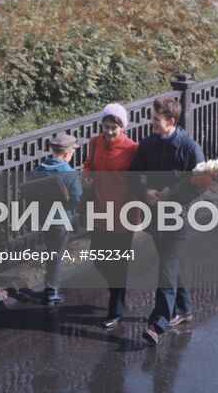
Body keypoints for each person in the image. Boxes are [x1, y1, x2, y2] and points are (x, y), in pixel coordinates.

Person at [130, 96, 206, 345]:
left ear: (171, 121)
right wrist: (145, 193)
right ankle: (184, 309)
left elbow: (202, 181)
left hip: (176, 219)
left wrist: (173, 194)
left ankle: (159, 322)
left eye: (155, 119)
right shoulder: (148, 144)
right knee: (168, 265)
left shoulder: (189, 147)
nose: (150, 122)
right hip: (155, 218)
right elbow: (134, 175)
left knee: (166, 270)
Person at [83, 103, 139, 327]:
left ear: (122, 128)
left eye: (113, 128)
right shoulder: (94, 143)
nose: (108, 132)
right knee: (98, 256)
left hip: (123, 213)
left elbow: (138, 179)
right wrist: (86, 175)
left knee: (118, 262)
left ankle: (116, 309)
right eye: (105, 126)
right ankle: (118, 288)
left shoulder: (132, 148)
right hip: (99, 209)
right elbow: (89, 164)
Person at [28, 132, 82, 305]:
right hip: (60, 219)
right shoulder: (69, 173)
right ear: (67, 153)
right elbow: (76, 198)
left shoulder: (38, 169)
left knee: (50, 250)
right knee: (56, 254)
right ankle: (52, 290)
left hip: (43, 217)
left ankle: (49, 283)